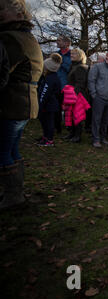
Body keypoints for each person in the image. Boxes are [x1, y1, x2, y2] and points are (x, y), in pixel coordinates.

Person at [0, 0, 43, 210]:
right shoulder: (27, 36)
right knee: (12, 147)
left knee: (3, 149)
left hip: (14, 102)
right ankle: (14, 191)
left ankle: (12, 194)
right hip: (25, 103)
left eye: (2, 9)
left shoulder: (11, 38)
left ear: (18, 13)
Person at [36, 53, 62, 147]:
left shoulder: (50, 79)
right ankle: (45, 136)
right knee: (44, 122)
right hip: (49, 104)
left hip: (48, 105)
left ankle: (49, 139)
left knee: (48, 123)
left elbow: (44, 93)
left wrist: (40, 105)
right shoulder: (50, 77)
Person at [65, 47, 89, 143]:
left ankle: (77, 136)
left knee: (77, 116)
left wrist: (74, 95)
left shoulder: (81, 67)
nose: (71, 55)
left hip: (77, 96)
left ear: (80, 56)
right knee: (70, 115)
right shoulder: (73, 66)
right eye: (71, 53)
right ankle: (72, 133)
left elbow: (80, 83)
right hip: (71, 94)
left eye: (74, 54)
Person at [55, 34, 72, 134]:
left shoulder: (72, 55)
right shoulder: (56, 54)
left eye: (59, 40)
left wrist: (61, 62)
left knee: (67, 109)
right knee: (55, 107)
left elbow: (70, 69)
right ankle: (56, 127)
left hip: (66, 86)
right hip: (55, 85)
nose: (57, 42)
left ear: (66, 43)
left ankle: (69, 127)